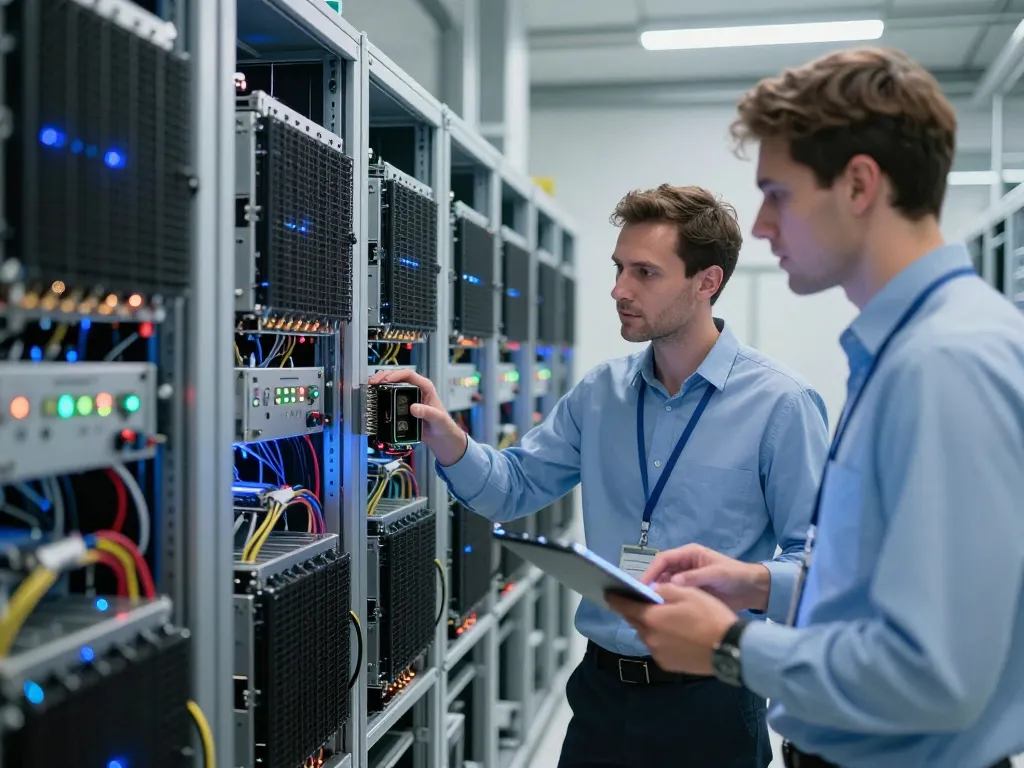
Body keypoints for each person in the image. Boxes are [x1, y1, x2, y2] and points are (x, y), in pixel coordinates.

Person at [607, 47, 1024, 768]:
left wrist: (730, 645)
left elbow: (937, 674)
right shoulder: (904, 351)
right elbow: (887, 588)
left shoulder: (943, 362)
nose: (763, 225)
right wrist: (756, 583)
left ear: (859, 184)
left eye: (779, 193)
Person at [370, 184, 830, 767]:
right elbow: (513, 488)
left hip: (711, 699)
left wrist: (741, 581)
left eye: (645, 273)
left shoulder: (781, 405)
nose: (619, 290)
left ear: (707, 282)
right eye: (619, 268)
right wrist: (449, 439)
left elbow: (819, 566)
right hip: (600, 693)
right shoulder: (601, 392)